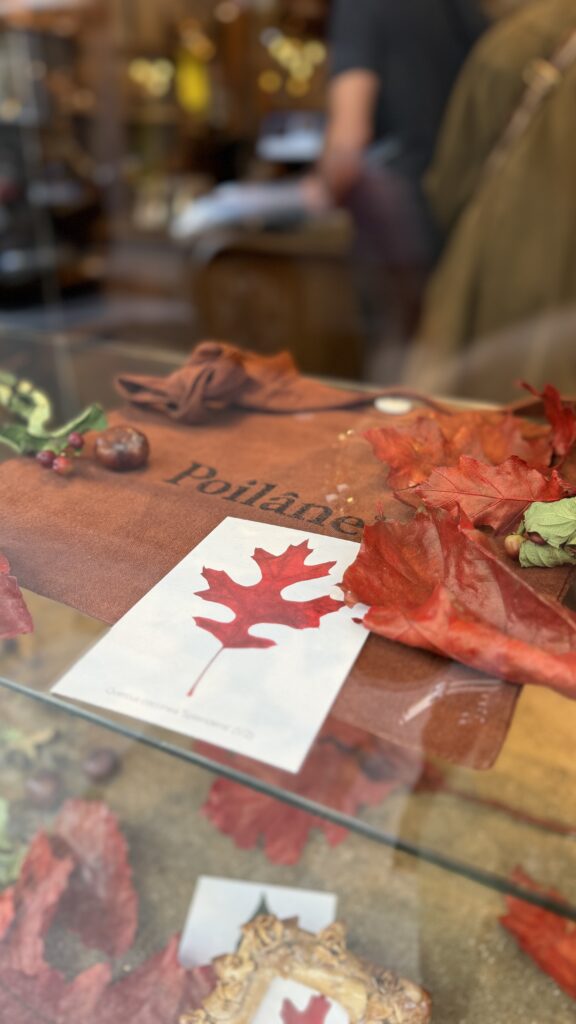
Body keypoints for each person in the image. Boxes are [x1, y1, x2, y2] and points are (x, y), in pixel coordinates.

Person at [318, 0, 488, 378]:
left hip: (398, 225)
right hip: (462, 214)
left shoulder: (360, 8)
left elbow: (348, 142)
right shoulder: (460, 8)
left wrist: (318, 190)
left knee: (395, 372)